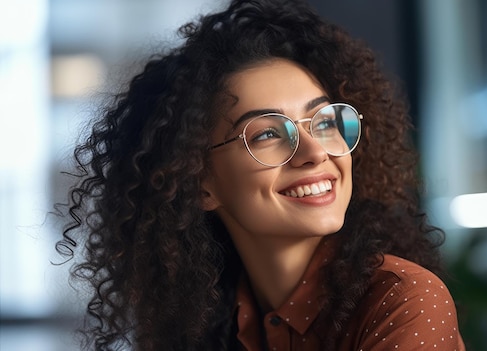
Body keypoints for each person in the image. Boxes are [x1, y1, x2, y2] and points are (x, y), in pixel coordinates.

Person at [56, 0, 465, 350]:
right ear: (199, 182)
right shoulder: (202, 323)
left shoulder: (403, 299)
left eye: (323, 122)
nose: (314, 152)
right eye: (269, 133)